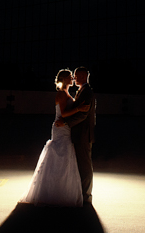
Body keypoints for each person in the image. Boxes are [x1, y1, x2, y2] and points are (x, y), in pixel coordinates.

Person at [19, 69, 90, 206]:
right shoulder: (61, 94)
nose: (73, 79)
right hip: (61, 127)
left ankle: (62, 189)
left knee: (65, 158)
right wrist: (78, 109)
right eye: (70, 77)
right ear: (64, 79)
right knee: (61, 156)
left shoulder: (66, 93)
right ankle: (56, 191)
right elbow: (63, 113)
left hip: (65, 128)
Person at [56, 66, 95, 205]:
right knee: (80, 164)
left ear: (84, 76)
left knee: (84, 165)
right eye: (72, 76)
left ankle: (86, 196)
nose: (74, 78)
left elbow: (83, 114)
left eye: (76, 75)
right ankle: (81, 193)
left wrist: (65, 122)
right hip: (78, 134)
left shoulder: (87, 92)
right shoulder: (82, 91)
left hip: (83, 135)